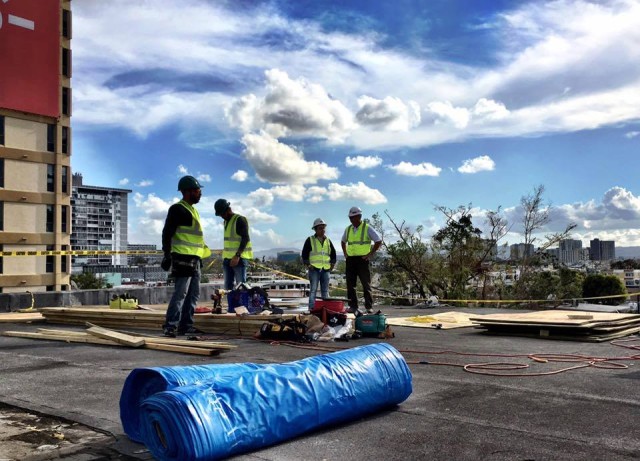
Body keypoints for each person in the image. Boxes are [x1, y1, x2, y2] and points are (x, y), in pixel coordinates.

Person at [161, 175, 211, 337]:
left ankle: (186, 326)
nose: (200, 193)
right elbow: (167, 232)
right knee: (181, 293)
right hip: (182, 258)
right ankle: (170, 326)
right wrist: (167, 255)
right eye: (197, 190)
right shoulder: (177, 209)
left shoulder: (193, 210)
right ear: (187, 191)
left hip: (195, 259)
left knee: (193, 294)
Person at [341, 206, 382, 314]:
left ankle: (368, 306)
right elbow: (343, 241)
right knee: (350, 284)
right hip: (350, 260)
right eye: (350, 217)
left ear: (359, 216)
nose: (351, 219)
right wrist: (345, 254)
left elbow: (378, 240)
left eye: (353, 217)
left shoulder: (366, 228)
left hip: (362, 260)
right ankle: (353, 306)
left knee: (365, 284)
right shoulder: (348, 229)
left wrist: (370, 254)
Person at [214, 198, 253, 291]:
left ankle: (242, 305)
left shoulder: (240, 220)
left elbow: (245, 238)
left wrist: (237, 255)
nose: (222, 216)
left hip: (238, 259)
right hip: (227, 259)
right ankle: (231, 305)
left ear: (228, 209)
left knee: (241, 287)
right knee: (228, 288)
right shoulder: (226, 222)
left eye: (222, 214)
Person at [301, 218, 337, 311]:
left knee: (325, 291)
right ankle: (312, 308)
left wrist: (332, 264)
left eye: (323, 228)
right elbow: (304, 254)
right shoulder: (310, 240)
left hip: (325, 269)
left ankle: (326, 309)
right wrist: (308, 265)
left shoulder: (328, 241)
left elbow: (333, 253)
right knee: (313, 290)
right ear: (315, 229)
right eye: (320, 228)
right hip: (314, 269)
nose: (323, 230)